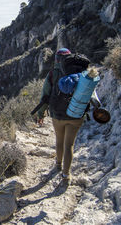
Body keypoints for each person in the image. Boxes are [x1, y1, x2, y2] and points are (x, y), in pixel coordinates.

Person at [36, 48, 98, 181]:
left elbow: (45, 95)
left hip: (57, 113)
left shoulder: (52, 73)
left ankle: (58, 165)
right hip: (76, 114)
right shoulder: (82, 73)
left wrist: (41, 114)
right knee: (69, 144)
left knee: (59, 140)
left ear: (57, 59)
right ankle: (66, 174)